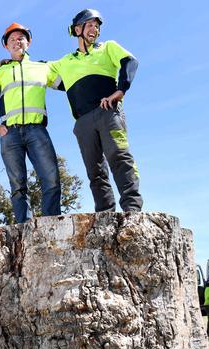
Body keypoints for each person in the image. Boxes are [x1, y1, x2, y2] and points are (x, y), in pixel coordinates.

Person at [48, 9, 143, 212]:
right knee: (95, 171)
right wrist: (11, 63)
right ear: (77, 29)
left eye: (97, 26)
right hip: (82, 122)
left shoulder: (108, 47)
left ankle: (132, 209)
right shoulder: (65, 62)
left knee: (119, 157)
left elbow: (130, 61)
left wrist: (120, 90)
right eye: (89, 24)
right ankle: (105, 214)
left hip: (108, 112)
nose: (95, 29)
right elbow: (36, 70)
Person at [0, 23, 62, 223]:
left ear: (28, 42)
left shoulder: (43, 68)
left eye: (21, 38)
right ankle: (24, 228)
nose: (17, 41)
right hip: (10, 135)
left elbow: (68, 84)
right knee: (17, 185)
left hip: (37, 131)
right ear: (6, 46)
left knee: (51, 179)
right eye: (12, 39)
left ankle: (51, 225)